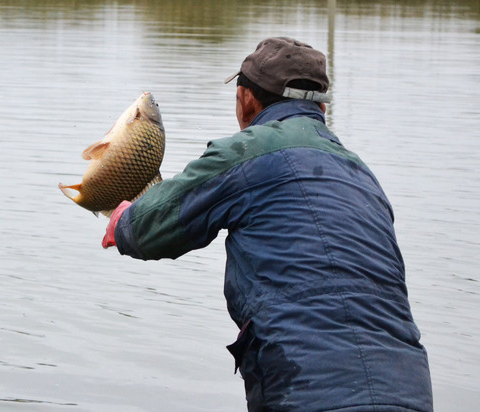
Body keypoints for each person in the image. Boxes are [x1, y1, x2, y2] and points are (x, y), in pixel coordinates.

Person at [102, 37, 433, 412]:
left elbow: (148, 228)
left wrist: (122, 220)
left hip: (306, 389)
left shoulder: (249, 151)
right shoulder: (362, 175)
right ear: (320, 108)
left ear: (246, 98)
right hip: (408, 391)